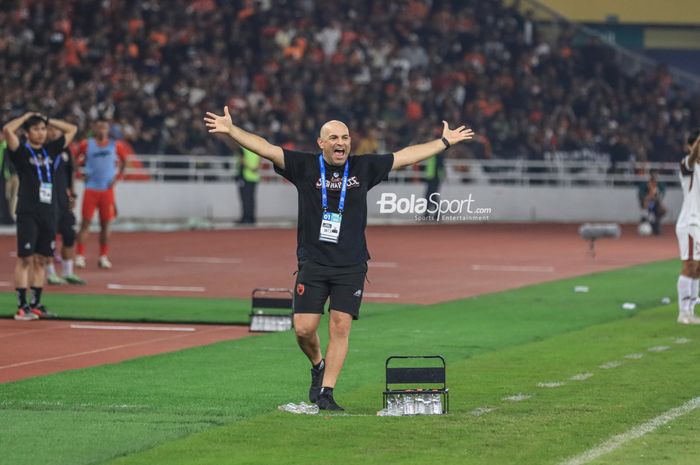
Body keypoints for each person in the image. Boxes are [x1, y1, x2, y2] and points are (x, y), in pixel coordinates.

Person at [204, 106, 474, 410]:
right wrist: (232, 130)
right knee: (304, 329)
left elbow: (405, 155)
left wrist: (444, 142)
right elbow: (266, 148)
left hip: (351, 264)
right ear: (321, 143)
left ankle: (327, 393)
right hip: (313, 262)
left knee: (340, 326)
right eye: (333, 137)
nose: (340, 142)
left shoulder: (363, 168)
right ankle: (318, 365)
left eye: (345, 137)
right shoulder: (304, 167)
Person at [3, 112, 77, 320]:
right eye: (35, 129)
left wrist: (47, 119)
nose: (41, 133)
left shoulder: (51, 150)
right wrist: (27, 116)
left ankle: (36, 304)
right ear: (26, 133)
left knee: (42, 259)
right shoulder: (21, 151)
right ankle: (21, 306)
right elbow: (8, 130)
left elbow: (72, 130)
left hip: (49, 211)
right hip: (28, 211)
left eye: (43, 129)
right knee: (25, 258)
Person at [74, 117, 129, 269]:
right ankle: (80, 255)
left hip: (107, 190)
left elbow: (125, 162)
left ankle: (103, 256)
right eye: (99, 127)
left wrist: (118, 177)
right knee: (85, 223)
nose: (101, 130)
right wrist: (79, 174)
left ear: (108, 129)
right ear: (94, 128)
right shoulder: (86, 144)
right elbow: (73, 159)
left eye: (104, 127)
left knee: (106, 225)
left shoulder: (115, 145)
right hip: (91, 188)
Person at [45, 125, 85, 285]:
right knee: (48, 238)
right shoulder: (42, 151)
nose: (53, 132)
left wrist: (72, 194)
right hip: (47, 200)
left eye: (57, 130)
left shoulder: (66, 151)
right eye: (50, 129)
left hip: (63, 199)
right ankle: (50, 274)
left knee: (69, 235)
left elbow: (71, 173)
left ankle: (68, 271)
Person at [676, 130, 700, 325]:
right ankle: (683, 312)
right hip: (690, 222)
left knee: (698, 269)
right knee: (689, 265)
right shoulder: (687, 164)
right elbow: (693, 157)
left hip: (699, 224)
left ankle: (691, 310)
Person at [638, 169, 666, 235]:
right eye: (653, 175)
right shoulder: (645, 184)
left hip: (656, 204)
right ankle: (646, 222)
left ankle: (656, 223)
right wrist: (649, 196)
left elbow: (661, 195)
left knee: (662, 210)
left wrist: (654, 196)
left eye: (656, 175)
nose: (654, 177)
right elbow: (641, 195)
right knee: (648, 207)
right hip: (647, 203)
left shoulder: (659, 184)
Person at [237, 146, 260, 224]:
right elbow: (258, 163)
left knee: (245, 199)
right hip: (254, 177)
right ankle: (251, 218)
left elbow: (242, 161)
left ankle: (246, 218)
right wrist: (253, 168)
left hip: (245, 176)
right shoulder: (256, 149)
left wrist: (250, 167)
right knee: (251, 199)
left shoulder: (242, 149)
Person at [1, 133, 20, 223]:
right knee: (8, 196)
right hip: (7, 176)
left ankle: (12, 216)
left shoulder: (15, 147)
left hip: (15, 175)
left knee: (14, 197)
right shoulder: (4, 147)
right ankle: (8, 215)